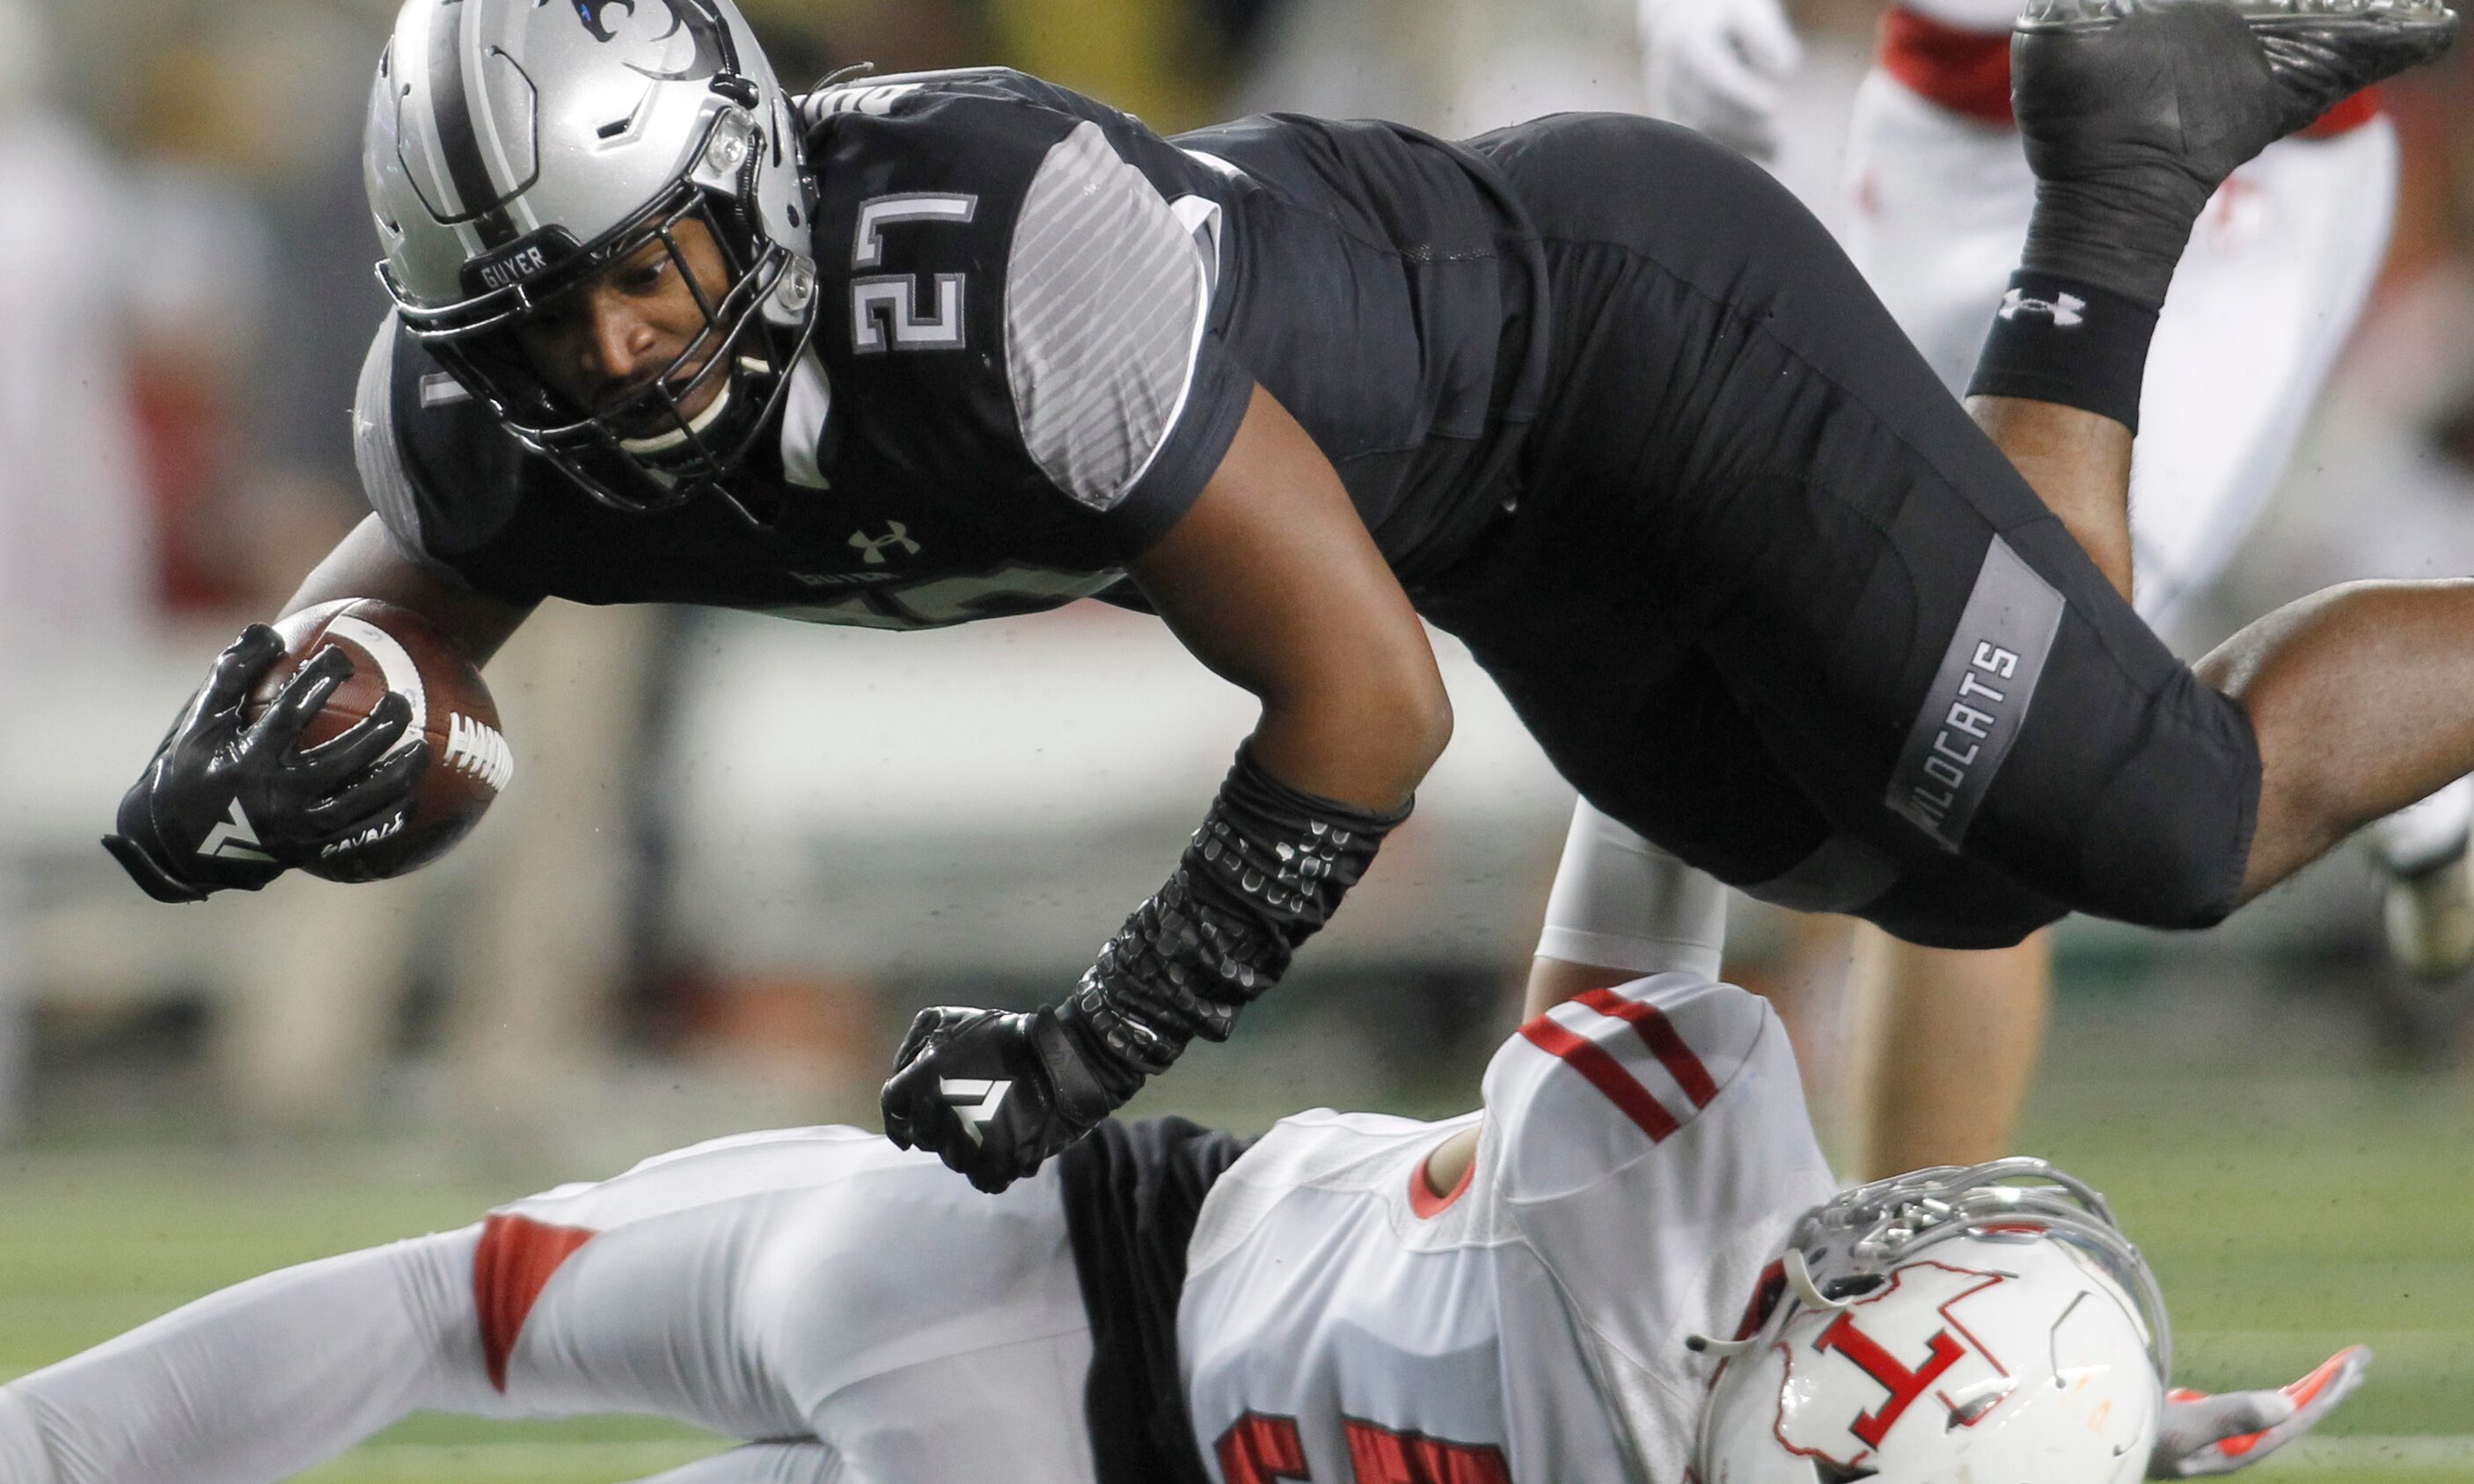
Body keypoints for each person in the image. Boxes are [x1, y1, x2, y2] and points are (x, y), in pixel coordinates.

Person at [100, 0, 2465, 1195]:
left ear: (747, 179)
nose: (615, 354)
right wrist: (269, 741)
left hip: (1626, 349)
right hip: (1485, 516)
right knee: (1941, 872)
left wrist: (1093, 1043)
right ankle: (2118, 177)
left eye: (649, 269)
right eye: (540, 315)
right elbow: (412, 651)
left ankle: (2123, 178)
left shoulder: (990, 251)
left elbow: (1365, 708)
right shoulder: (477, 406)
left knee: (2160, 818)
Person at [0, 813, 2369, 1484]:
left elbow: (1601, 978)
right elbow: (1858, 1437)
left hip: (988, 1244)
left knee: (447, 1305)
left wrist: (1663, 731)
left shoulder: (1689, 1185)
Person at [1636, 0, 2466, 1176]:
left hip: (2240, 140)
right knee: (1724, 617)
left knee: (2006, 688)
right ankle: (2408, 765)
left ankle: (1910, 1280)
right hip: (1941, 129)